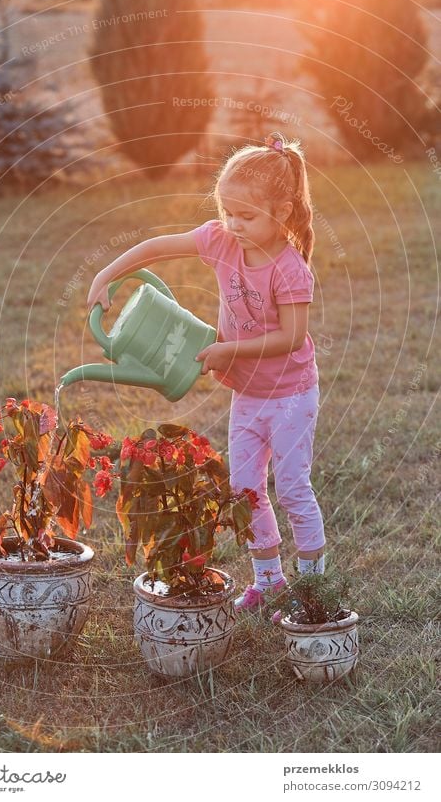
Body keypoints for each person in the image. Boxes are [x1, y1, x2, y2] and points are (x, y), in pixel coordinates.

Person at [86, 130, 326, 616]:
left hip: (291, 396)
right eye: (227, 212)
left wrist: (227, 350)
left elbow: (292, 338)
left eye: (246, 216)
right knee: (245, 488)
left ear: (281, 212)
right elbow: (157, 246)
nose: (233, 225)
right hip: (249, 396)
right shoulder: (220, 241)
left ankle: (313, 586)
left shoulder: (288, 268)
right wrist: (105, 274)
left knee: (294, 486)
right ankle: (268, 580)